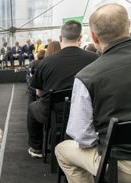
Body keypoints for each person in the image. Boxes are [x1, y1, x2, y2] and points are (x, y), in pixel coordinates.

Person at [55, 3, 131, 183]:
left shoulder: (87, 77)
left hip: (125, 167)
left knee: (63, 149)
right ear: (128, 26)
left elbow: (82, 137)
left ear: (93, 36)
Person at [27, 20, 98, 158]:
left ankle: (36, 148)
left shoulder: (45, 63)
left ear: (60, 38)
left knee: (32, 107)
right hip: (88, 113)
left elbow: (39, 92)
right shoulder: (95, 59)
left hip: (53, 111)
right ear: (80, 38)